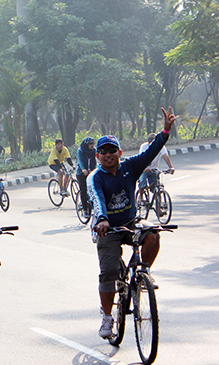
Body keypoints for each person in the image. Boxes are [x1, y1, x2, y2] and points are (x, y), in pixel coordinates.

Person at [90, 107, 176, 339]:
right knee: (108, 272)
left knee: (153, 234)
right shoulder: (96, 177)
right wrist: (102, 220)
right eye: (103, 152)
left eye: (112, 150)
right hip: (106, 227)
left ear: (119, 152)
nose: (108, 155)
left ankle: (143, 274)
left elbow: (152, 151)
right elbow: (97, 199)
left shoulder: (130, 167)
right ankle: (107, 318)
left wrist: (166, 130)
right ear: (98, 156)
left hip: (130, 221)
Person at [76, 137, 97, 213]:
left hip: (90, 171)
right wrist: (83, 169)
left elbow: (95, 160)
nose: (92, 145)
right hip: (81, 173)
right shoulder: (80, 151)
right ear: (86, 144)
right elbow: (80, 161)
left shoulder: (93, 151)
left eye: (93, 144)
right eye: (90, 144)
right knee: (83, 190)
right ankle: (85, 209)